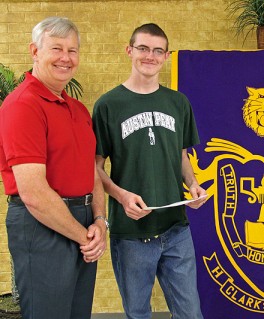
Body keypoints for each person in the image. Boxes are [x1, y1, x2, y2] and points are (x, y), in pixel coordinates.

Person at [92, 23, 207, 319]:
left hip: (175, 228)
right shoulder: (108, 105)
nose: (150, 56)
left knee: (190, 314)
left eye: (158, 50)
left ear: (166, 56)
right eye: (143, 48)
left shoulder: (178, 102)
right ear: (129, 50)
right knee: (138, 314)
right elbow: (95, 168)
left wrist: (193, 184)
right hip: (131, 234)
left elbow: (182, 155)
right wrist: (121, 195)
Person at [0, 17, 107, 319]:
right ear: (34, 51)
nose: (66, 58)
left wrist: (99, 220)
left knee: (77, 314)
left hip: (82, 222)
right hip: (42, 224)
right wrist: (83, 235)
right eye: (57, 48)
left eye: (73, 51)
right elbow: (33, 192)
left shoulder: (78, 109)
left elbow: (92, 171)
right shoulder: (22, 105)